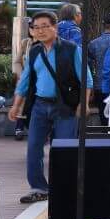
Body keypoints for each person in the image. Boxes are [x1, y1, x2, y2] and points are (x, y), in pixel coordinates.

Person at [11, 11, 85, 204]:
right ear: (32, 31)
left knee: (63, 149)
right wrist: (16, 105)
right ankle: (39, 188)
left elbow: (87, 80)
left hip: (65, 106)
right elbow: (25, 80)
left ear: (56, 27)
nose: (41, 30)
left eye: (45, 26)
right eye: (36, 27)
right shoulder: (34, 51)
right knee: (34, 147)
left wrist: (82, 105)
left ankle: (64, 188)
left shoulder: (71, 49)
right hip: (39, 106)